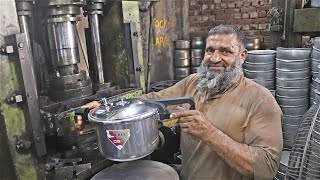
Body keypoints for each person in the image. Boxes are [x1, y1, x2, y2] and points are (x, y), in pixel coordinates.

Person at [79, 24, 283, 180]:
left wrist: (209, 133)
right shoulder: (194, 83)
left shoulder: (260, 100)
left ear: (242, 56)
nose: (214, 58)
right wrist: (107, 109)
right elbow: (151, 101)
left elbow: (265, 167)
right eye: (210, 50)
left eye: (226, 51)